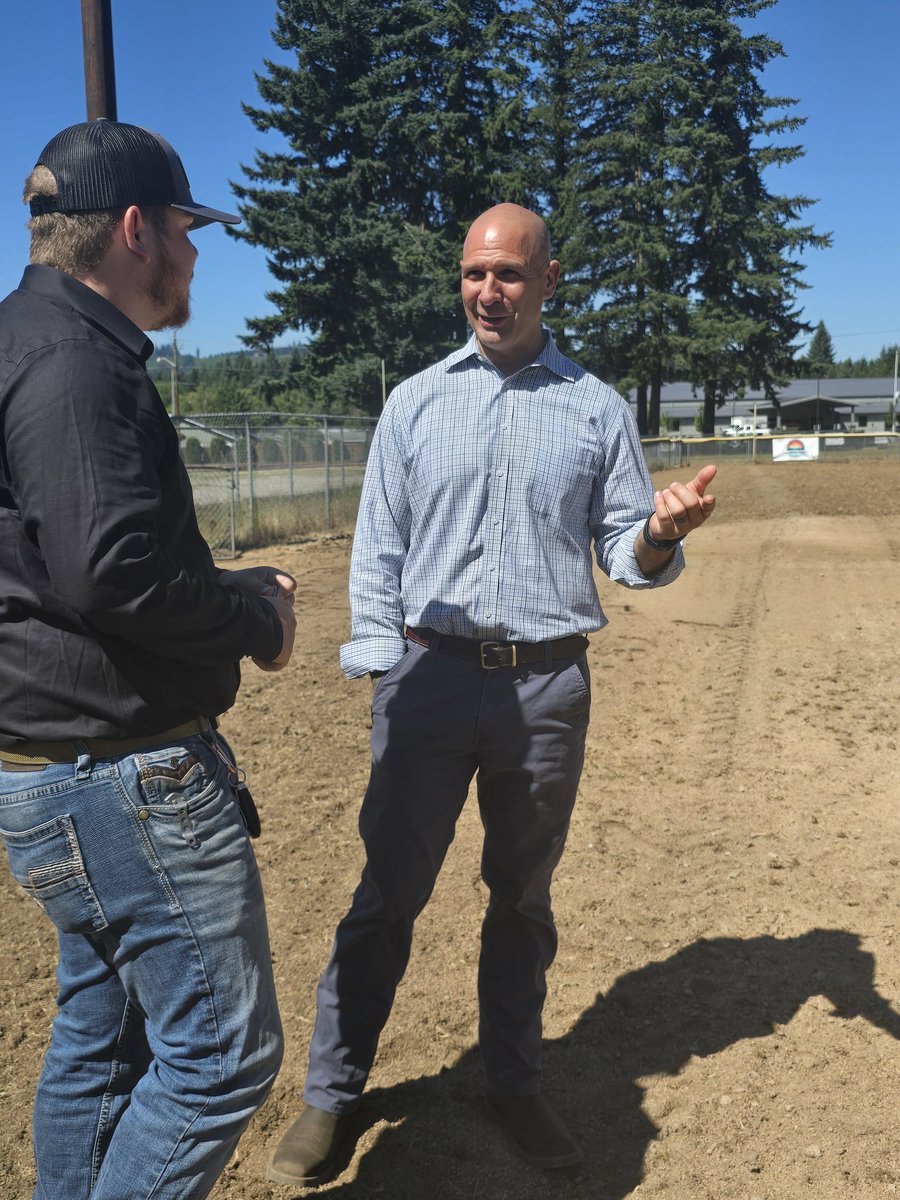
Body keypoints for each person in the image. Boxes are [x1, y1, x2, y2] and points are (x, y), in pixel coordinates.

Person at [267, 202, 716, 1185]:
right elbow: (376, 544)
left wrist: (661, 534)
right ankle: (331, 1094)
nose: (488, 290)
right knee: (387, 892)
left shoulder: (594, 408)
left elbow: (623, 552)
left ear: (549, 282)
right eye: (474, 272)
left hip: (548, 686)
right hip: (427, 681)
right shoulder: (417, 404)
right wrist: (383, 667)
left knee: (521, 895)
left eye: (509, 273)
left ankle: (513, 1080)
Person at [0, 119, 297, 1200]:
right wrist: (254, 620)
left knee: (105, 1023)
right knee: (222, 1059)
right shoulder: (77, 366)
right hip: (122, 779)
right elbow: (111, 572)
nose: (196, 251)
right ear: (135, 229)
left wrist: (226, 590)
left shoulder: (21, 340)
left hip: (51, 771)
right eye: (186, 227)